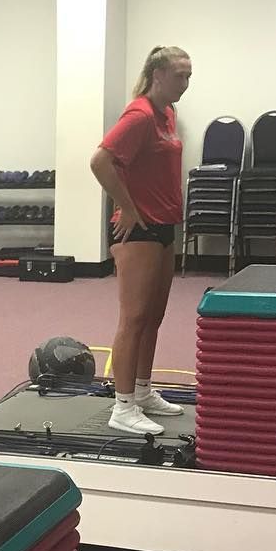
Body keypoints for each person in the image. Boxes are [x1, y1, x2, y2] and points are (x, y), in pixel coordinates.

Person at [90, 46, 192, 436]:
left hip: (165, 225)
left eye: (189, 75)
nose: (185, 83)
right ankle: (123, 406)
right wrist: (127, 207)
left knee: (154, 316)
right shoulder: (140, 114)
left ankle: (145, 392)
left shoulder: (168, 113)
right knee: (133, 319)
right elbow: (99, 161)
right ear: (158, 74)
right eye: (180, 75)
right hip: (139, 229)